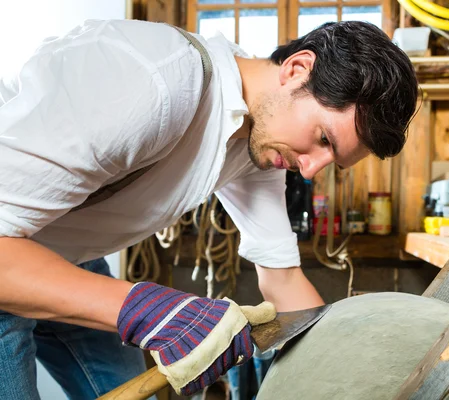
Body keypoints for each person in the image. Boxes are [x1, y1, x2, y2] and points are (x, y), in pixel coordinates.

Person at [0, 18, 418, 399]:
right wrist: (151, 312)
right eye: (324, 139)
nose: (309, 172)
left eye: (332, 162)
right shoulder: (153, 83)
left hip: (63, 256)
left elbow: (283, 281)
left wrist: (352, 372)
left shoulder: (258, 139)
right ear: (296, 70)